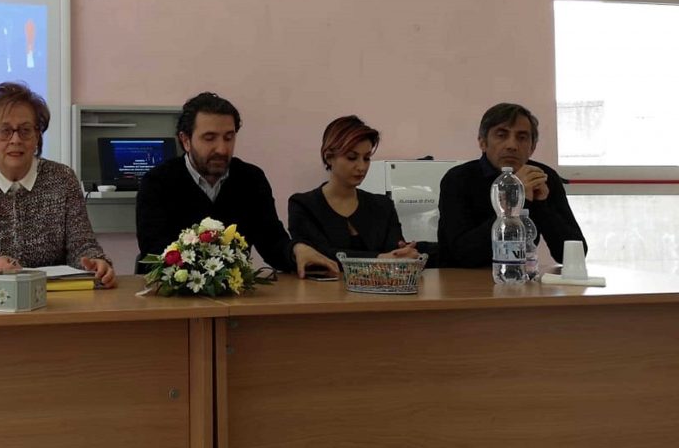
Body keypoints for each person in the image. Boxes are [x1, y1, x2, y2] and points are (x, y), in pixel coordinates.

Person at [136, 92, 339, 277]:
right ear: (185, 140)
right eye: (209, 138)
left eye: (229, 138)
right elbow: (154, 251)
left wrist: (296, 251)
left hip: (233, 294)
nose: (222, 149)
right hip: (174, 291)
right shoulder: (157, 182)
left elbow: (271, 240)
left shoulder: (251, 179)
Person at [0, 81, 116, 287]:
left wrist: (95, 263)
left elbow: (82, 247)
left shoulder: (62, 179)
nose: (16, 140)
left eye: (25, 130)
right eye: (5, 131)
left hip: (52, 299)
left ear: (37, 136)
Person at [438, 103, 586, 268]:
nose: (512, 145)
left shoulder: (542, 176)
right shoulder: (458, 179)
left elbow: (574, 255)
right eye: (501, 135)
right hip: (461, 278)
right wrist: (515, 200)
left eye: (522, 138)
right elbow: (463, 254)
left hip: (519, 275)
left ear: (532, 147)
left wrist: (542, 204)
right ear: (482, 142)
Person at [289, 115, 420, 261]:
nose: (361, 167)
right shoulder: (303, 205)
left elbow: (395, 254)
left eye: (366, 158)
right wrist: (379, 258)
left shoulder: (383, 206)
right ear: (329, 157)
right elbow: (318, 255)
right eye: (351, 157)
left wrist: (405, 254)